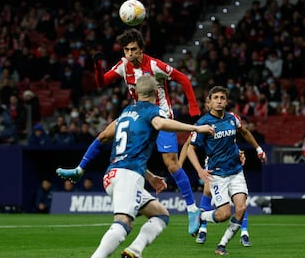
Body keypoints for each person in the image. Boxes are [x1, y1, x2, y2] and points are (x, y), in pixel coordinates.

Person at [63, 75, 213, 258]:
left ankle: (135, 251)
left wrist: (149, 176)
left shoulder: (126, 113)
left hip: (114, 174)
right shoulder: (153, 111)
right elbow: (160, 123)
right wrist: (196, 128)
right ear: (156, 94)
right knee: (123, 222)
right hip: (127, 176)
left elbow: (104, 138)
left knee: (161, 214)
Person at [57, 28, 203, 236]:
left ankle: (192, 209)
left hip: (159, 115)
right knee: (104, 135)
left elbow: (184, 79)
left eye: (133, 50)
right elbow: (101, 83)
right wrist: (98, 66)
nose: (130, 54)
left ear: (141, 49)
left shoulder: (155, 65)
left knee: (171, 164)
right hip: (137, 115)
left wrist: (193, 108)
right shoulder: (123, 64)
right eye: (126, 50)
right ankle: (79, 170)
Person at [186, 86, 267, 255]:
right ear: (209, 101)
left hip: (236, 172)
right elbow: (190, 149)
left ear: (226, 101)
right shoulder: (203, 123)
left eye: (222, 97)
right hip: (218, 175)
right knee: (223, 215)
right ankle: (200, 216)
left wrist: (258, 149)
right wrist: (200, 170)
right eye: (215, 97)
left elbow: (244, 132)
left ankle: (221, 245)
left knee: (241, 208)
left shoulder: (232, 118)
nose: (219, 101)